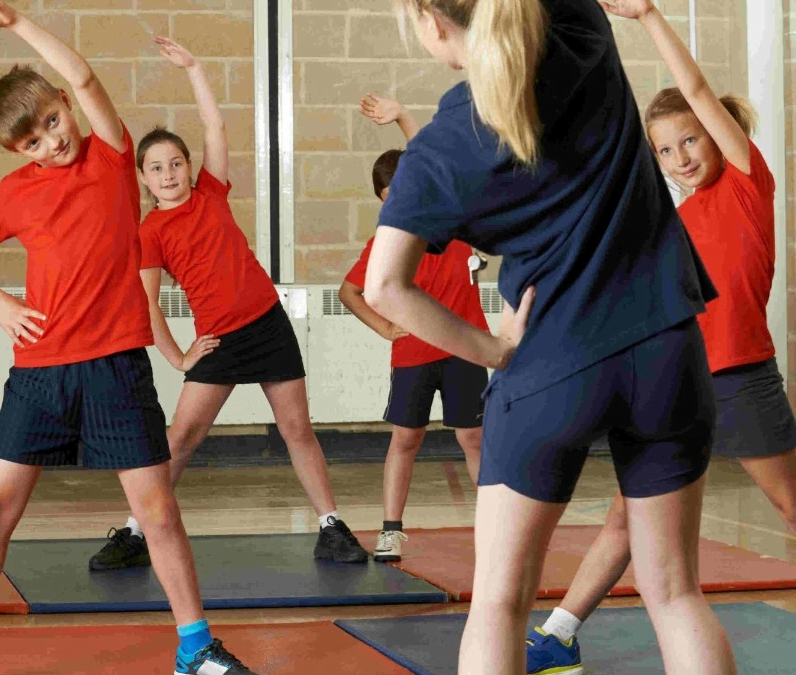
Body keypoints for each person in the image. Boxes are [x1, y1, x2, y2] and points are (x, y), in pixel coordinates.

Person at [363, 1, 734, 673]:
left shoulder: (437, 153)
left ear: (430, 21)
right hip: (666, 350)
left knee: (500, 604)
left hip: (549, 369)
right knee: (676, 592)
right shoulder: (582, 27)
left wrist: (491, 350)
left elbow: (385, 286)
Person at [0, 4, 259, 674]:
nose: (50, 142)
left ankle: (195, 647)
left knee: (156, 509)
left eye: (52, 122)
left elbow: (88, 77)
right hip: (39, 372)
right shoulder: (12, 192)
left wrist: (15, 24)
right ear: (15, 153)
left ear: (65, 105)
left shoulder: (113, 158)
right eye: (31, 141)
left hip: (116, 367)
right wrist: (3, 306)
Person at [525, 2, 796, 673]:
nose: (680, 158)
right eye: (666, 150)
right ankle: (558, 633)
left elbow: (697, 90)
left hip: (738, 377)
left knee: (792, 502)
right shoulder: (677, 218)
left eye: (691, 140)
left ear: (715, 132)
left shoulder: (744, 184)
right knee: (629, 517)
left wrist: (646, 18)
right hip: (675, 380)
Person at [89, 36, 367, 573]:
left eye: (176, 163)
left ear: (190, 168)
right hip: (217, 339)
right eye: (156, 168)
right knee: (181, 437)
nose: (168, 174)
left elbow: (215, 128)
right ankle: (135, 530)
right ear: (144, 179)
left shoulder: (212, 193)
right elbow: (146, 302)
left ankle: (330, 524)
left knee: (297, 431)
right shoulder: (150, 230)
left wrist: (195, 67)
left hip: (268, 325)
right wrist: (177, 357)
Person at [339, 92, 486, 562]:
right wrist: (383, 328)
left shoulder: (451, 220)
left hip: (464, 348)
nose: (398, 203)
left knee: (473, 438)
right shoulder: (385, 242)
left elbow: (428, 156)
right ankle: (390, 530)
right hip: (414, 356)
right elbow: (349, 291)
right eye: (388, 200)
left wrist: (403, 115)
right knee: (405, 439)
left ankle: (495, 528)